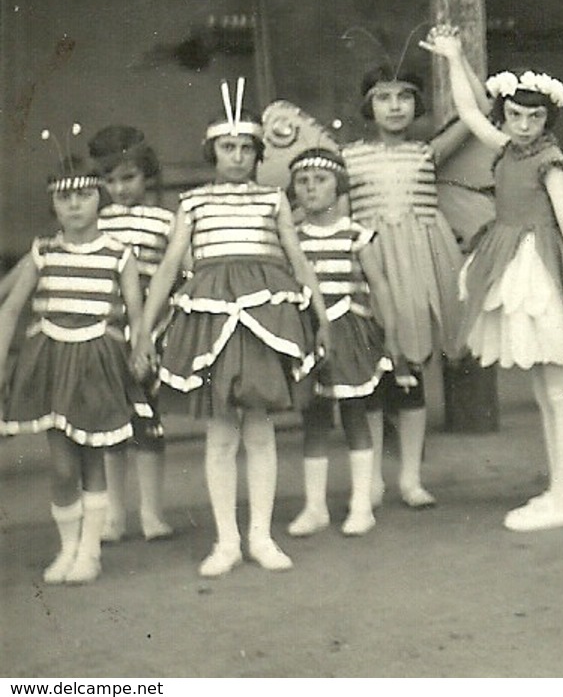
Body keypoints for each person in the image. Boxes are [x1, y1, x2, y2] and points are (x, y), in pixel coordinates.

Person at [422, 26, 563, 530]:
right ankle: (557, 489)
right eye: (515, 115)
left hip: (545, 271)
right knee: (544, 388)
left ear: (549, 120)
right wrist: (456, 57)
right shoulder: (505, 147)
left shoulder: (551, 164)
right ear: (505, 117)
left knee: (560, 388)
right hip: (510, 259)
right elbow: (468, 110)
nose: (524, 124)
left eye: (534, 117)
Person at [144, 79, 331, 576]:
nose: (238, 156)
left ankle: (261, 536)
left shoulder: (273, 200)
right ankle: (226, 541)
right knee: (221, 435)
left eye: (247, 148)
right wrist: (144, 328)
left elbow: (297, 260)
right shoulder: (193, 203)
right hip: (211, 317)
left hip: (266, 317)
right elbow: (167, 268)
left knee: (261, 431)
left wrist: (321, 314)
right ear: (213, 152)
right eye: (228, 147)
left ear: (257, 153)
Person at [0, 140, 157, 584]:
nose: (73, 205)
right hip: (49, 359)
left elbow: (136, 310)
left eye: (83, 195)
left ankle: (89, 552)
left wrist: (140, 349)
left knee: (93, 460)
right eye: (63, 197)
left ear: (99, 198)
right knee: (62, 465)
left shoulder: (117, 253)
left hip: (96, 360)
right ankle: (67, 548)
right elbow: (9, 309)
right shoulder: (43, 251)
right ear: (53, 203)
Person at [342, 56, 471, 510]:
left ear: (416, 105)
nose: (394, 107)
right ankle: (372, 477)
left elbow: (474, 113)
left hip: (417, 262)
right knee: (373, 372)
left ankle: (411, 478)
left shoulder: (427, 152)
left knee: (411, 369)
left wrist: (455, 59)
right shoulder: (348, 157)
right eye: (383, 99)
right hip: (369, 264)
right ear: (368, 106)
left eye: (404, 98)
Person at [286, 148, 395, 538]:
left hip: (349, 331)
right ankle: (315, 507)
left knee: (354, 414)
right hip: (309, 334)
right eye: (303, 181)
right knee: (313, 419)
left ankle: (361, 504)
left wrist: (390, 334)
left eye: (321, 180)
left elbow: (379, 285)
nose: (311, 188)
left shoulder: (355, 233)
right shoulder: (292, 238)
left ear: (340, 186)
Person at [88, 124, 174, 541]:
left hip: (150, 328)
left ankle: (152, 513)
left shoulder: (165, 221)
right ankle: (114, 515)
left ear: (147, 175)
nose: (120, 188)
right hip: (106, 330)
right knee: (110, 424)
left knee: (148, 421)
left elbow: (178, 273)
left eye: (129, 177)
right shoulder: (97, 223)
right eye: (110, 180)